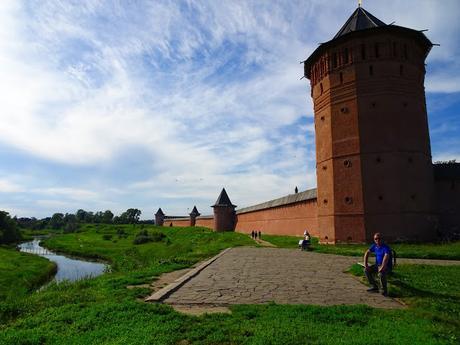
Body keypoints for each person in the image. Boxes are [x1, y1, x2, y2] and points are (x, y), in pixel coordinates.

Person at [363, 232, 393, 296]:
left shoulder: (385, 247)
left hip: (386, 266)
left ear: (381, 239)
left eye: (379, 238)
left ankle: (384, 291)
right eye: (376, 239)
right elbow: (367, 253)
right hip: (377, 265)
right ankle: (374, 287)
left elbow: (386, 256)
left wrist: (382, 267)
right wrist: (366, 264)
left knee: (381, 273)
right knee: (366, 270)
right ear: (374, 240)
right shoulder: (375, 246)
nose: (377, 240)